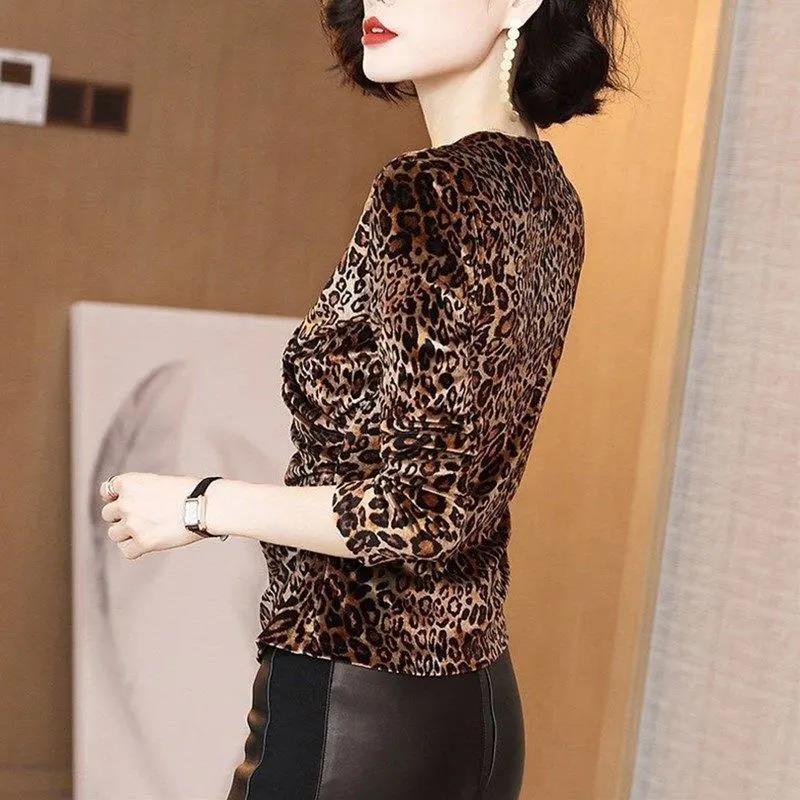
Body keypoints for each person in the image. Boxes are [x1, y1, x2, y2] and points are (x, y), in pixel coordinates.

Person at [99, 1, 629, 797]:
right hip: (475, 703)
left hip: (357, 704)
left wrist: (199, 506)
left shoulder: (430, 190)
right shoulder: (547, 192)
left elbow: (418, 511)